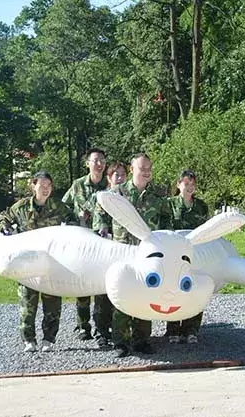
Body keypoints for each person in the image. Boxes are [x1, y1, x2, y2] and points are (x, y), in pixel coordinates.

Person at [92, 153, 167, 357]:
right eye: (142, 168)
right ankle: (121, 341)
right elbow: (99, 210)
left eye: (149, 168)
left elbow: (168, 220)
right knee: (123, 297)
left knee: (145, 295)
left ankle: (141, 339)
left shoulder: (158, 196)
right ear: (132, 169)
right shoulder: (117, 194)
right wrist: (102, 226)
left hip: (147, 255)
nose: (146, 171)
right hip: (122, 252)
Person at [0, 171, 74, 353]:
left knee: (52, 304)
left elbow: (72, 219)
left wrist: (70, 229)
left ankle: (49, 339)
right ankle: (29, 340)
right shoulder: (21, 207)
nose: (46, 189)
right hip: (27, 265)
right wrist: (5, 228)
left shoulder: (58, 207)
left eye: (49, 186)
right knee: (27, 304)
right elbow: (4, 217)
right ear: (33, 185)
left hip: (51, 264)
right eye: (42, 185)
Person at [61, 148, 108, 341]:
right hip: (82, 243)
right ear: (87, 163)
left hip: (103, 243)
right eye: (95, 160)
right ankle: (82, 325)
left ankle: (102, 326)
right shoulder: (78, 185)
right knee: (82, 286)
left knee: (100, 286)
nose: (99, 164)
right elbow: (64, 208)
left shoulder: (110, 184)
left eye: (102, 160)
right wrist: (74, 221)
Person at [160, 170, 211, 344]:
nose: (189, 187)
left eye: (192, 184)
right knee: (174, 289)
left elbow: (206, 230)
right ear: (178, 184)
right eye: (186, 183)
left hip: (195, 255)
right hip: (174, 256)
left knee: (194, 289)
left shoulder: (201, 206)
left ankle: (191, 329)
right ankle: (172, 329)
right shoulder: (168, 204)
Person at [85, 160, 128, 349]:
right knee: (103, 295)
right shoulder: (104, 198)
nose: (120, 178)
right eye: (116, 175)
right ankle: (101, 332)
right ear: (109, 178)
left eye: (123, 174)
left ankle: (123, 332)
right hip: (107, 253)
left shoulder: (129, 197)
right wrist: (103, 228)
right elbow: (99, 219)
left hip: (126, 252)